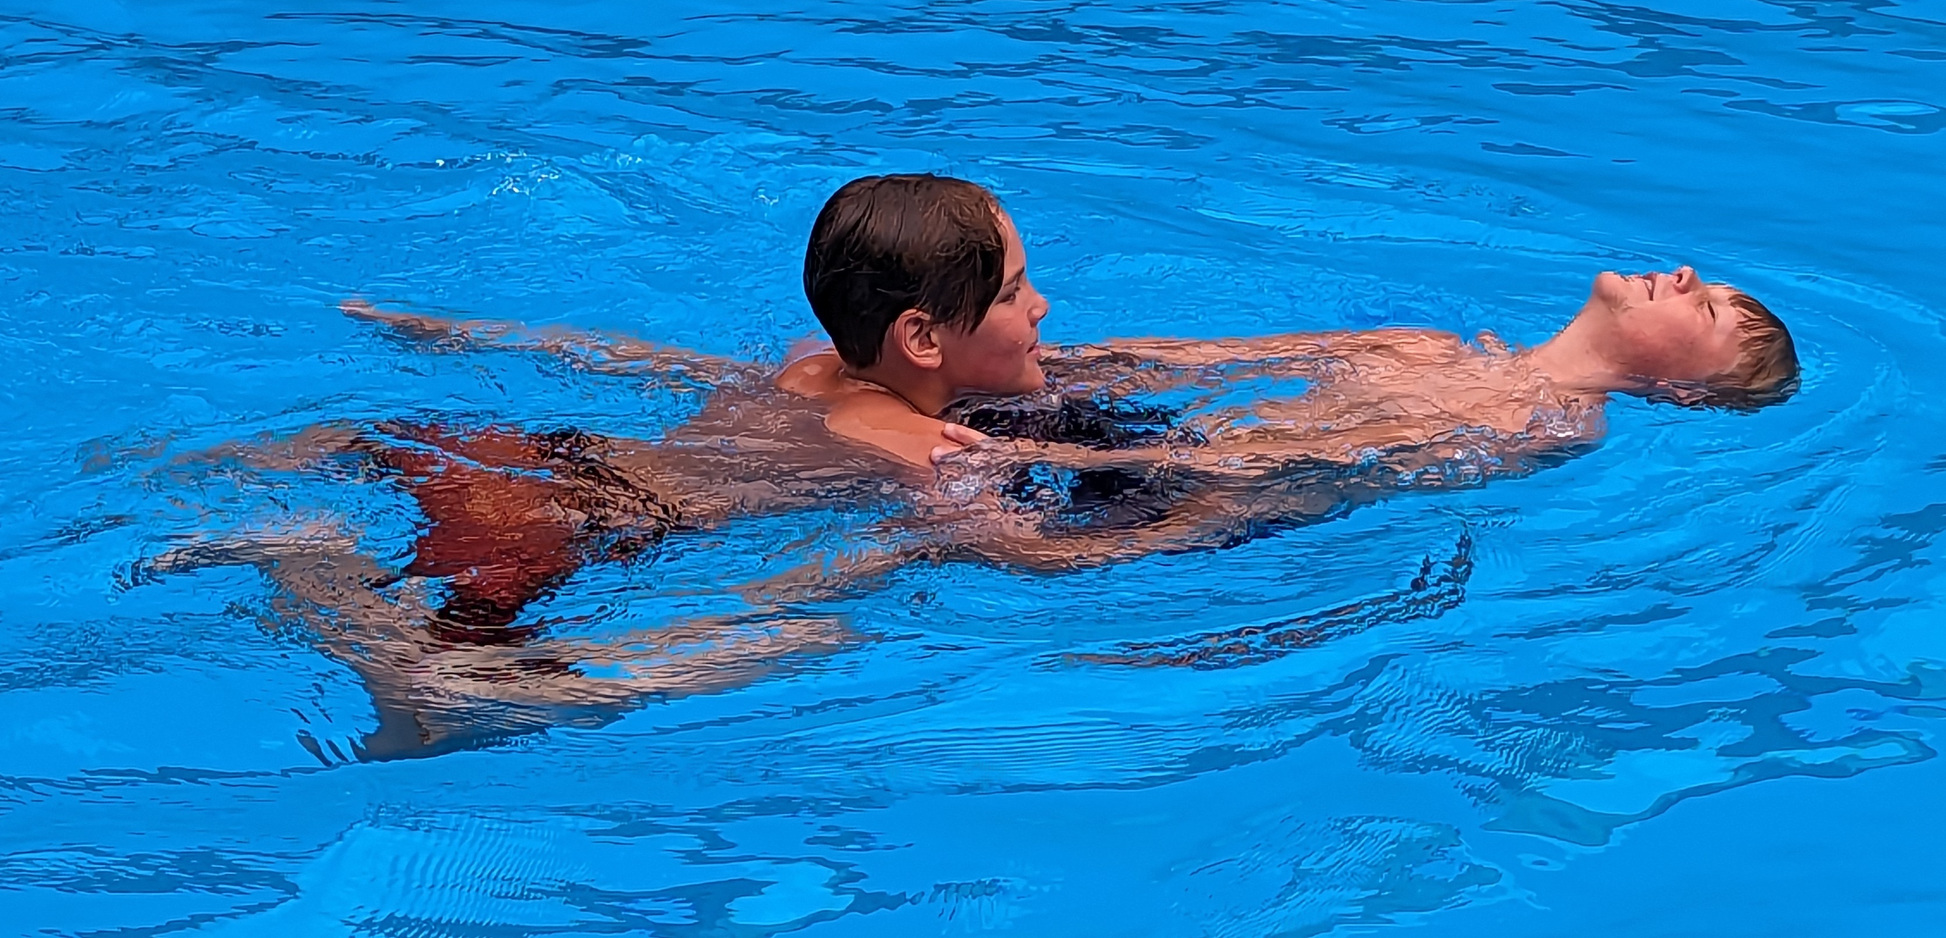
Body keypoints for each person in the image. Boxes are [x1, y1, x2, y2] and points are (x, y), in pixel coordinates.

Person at [154, 173, 1798, 758]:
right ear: (932, 331)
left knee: (322, 482)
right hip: (606, 507)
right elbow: (1169, 388)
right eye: (1017, 288)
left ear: (1690, 386)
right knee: (518, 655)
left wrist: (454, 335)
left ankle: (293, 563)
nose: (1687, 283)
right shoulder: (1454, 359)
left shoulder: (1534, 416)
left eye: (1713, 312)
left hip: (585, 477)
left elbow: (1278, 461)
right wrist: (1113, 479)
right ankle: (380, 629)